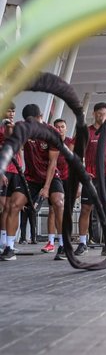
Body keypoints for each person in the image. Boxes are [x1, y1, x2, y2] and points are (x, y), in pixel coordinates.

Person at [1, 104, 64, 261]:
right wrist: (8, 125)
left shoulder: (51, 132)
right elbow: (10, 137)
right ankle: (9, 247)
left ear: (40, 117)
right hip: (30, 177)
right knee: (13, 205)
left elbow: (52, 162)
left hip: (50, 176)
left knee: (58, 202)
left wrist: (47, 187)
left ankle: (63, 245)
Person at [75, 102, 106, 256]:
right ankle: (83, 243)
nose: (103, 116)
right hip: (91, 177)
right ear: (94, 114)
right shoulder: (86, 132)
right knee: (86, 209)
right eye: (100, 113)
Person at [46, 119, 75, 248]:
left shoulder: (71, 142)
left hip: (69, 178)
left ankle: (65, 239)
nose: (60, 129)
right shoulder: (50, 142)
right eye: (57, 127)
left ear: (66, 128)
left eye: (62, 126)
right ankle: (51, 242)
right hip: (55, 178)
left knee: (67, 210)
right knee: (53, 208)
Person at [0, 103, 22, 250]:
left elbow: (20, 150)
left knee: (12, 207)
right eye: (9, 111)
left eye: (13, 111)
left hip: (16, 171)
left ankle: (9, 243)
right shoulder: (3, 128)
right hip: (4, 170)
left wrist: (23, 169)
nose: (12, 113)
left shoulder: (16, 129)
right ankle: (2, 242)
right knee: (2, 207)